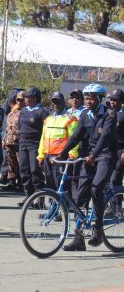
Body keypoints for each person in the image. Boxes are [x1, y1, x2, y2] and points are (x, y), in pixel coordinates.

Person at [58, 83, 117, 251]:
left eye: (91, 98)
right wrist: (62, 152)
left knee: (96, 188)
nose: (87, 101)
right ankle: (78, 238)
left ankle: (98, 228)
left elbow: (105, 137)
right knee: (79, 195)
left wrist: (94, 154)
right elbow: (76, 136)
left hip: (105, 155)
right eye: (86, 98)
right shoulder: (84, 115)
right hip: (89, 156)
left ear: (99, 99)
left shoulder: (109, 115)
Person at [37, 92, 78, 190]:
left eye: (58, 101)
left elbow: (74, 138)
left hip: (61, 156)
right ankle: (53, 205)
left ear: (63, 102)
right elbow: (43, 137)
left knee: (61, 184)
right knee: (50, 184)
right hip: (47, 156)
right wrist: (40, 155)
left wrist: (72, 155)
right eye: (53, 101)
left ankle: (64, 205)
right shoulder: (48, 119)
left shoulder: (71, 118)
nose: (55, 104)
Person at [17, 87, 49, 207]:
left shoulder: (41, 111)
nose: (25, 99)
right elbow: (20, 126)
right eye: (24, 97)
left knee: (35, 170)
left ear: (35, 98)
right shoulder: (23, 110)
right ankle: (29, 194)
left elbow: (47, 128)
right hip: (23, 143)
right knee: (24, 170)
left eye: (27, 97)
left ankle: (39, 198)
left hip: (35, 144)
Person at [2, 91, 25, 191]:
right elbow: (7, 127)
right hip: (10, 141)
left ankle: (21, 183)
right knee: (11, 163)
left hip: (19, 142)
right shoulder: (12, 112)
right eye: (17, 100)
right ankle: (11, 182)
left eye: (20, 100)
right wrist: (4, 140)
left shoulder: (25, 112)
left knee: (21, 163)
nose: (18, 102)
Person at [109, 89, 124, 188]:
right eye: (111, 99)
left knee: (114, 179)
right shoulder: (109, 113)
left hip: (120, 151)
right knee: (109, 179)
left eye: (115, 100)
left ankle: (116, 203)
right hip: (109, 151)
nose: (112, 102)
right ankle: (113, 202)